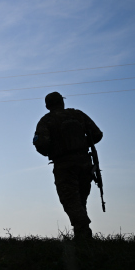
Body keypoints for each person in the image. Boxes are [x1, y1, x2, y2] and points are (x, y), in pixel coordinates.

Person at [33, 91, 103, 240]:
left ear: (47, 106)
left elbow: (41, 144)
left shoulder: (47, 121)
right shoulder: (78, 115)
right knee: (80, 199)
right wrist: (82, 144)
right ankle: (82, 234)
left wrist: (55, 150)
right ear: (62, 102)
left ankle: (83, 232)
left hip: (64, 165)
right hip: (85, 164)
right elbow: (97, 134)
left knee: (70, 199)